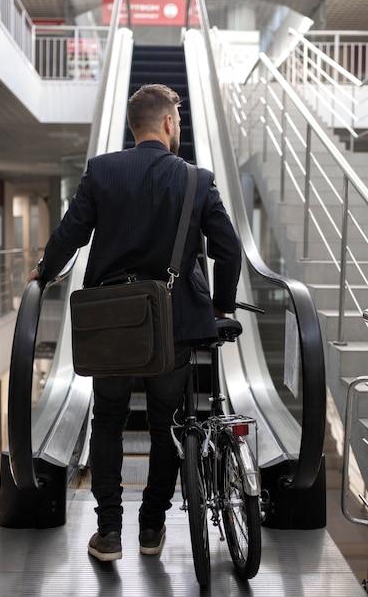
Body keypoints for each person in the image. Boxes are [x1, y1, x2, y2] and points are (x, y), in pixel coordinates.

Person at [27, 83, 241, 562]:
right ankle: (151, 528)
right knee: (168, 423)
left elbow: (69, 235)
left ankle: (108, 533)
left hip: (113, 324)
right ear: (168, 123)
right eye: (178, 122)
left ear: (134, 125)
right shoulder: (197, 180)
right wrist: (221, 307)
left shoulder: (102, 171)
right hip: (176, 323)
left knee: (108, 421)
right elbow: (230, 251)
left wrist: (45, 270)